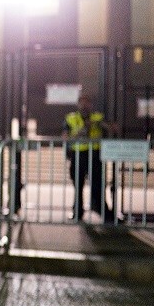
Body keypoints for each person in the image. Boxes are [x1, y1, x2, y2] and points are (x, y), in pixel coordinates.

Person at [63, 92, 118, 222]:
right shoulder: (71, 118)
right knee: (78, 185)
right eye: (82, 103)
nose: (84, 105)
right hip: (78, 156)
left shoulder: (98, 117)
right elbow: (65, 137)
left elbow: (113, 128)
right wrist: (80, 132)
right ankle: (77, 213)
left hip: (94, 155)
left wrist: (103, 125)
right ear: (78, 104)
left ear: (91, 105)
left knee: (98, 185)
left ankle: (102, 211)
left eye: (87, 103)